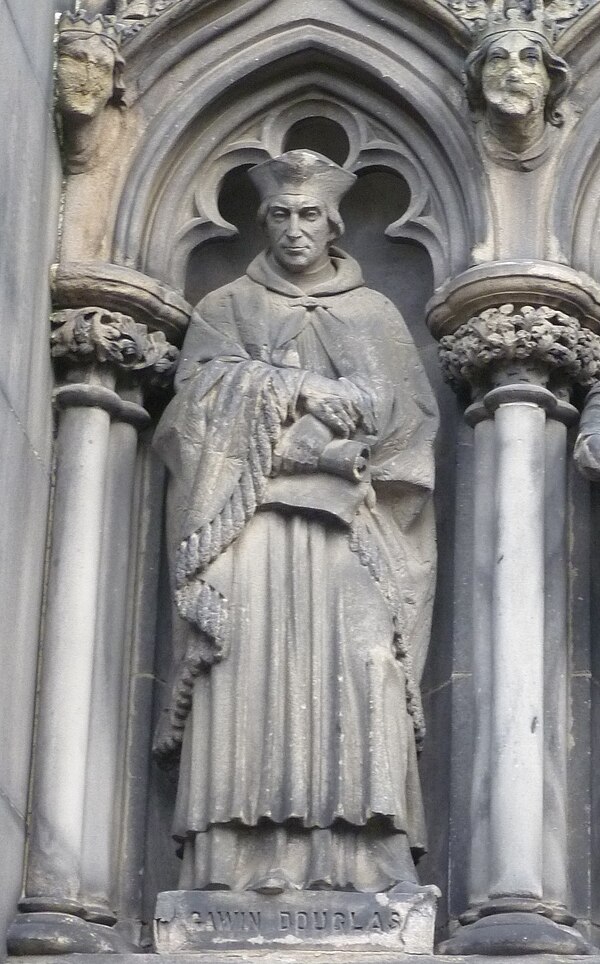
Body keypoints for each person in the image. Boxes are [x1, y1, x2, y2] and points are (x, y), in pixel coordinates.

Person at [153, 150, 438, 894]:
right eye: (280, 215)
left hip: (351, 533)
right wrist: (299, 390)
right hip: (251, 532)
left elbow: (404, 423)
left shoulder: (372, 314)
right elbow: (190, 420)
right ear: (263, 222)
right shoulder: (224, 309)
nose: (294, 229)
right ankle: (232, 868)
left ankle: (365, 864)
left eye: (309, 214)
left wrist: (330, 444)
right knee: (244, 677)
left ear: (333, 220)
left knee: (364, 667)